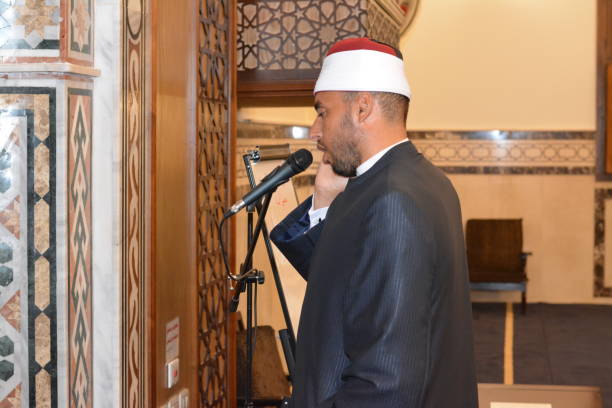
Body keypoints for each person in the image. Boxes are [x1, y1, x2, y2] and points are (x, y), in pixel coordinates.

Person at [270, 38, 478, 408]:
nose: (315, 131)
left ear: (362, 108)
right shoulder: (417, 180)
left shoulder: (392, 201)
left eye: (323, 112)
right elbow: (343, 287)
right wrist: (324, 202)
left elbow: (385, 386)